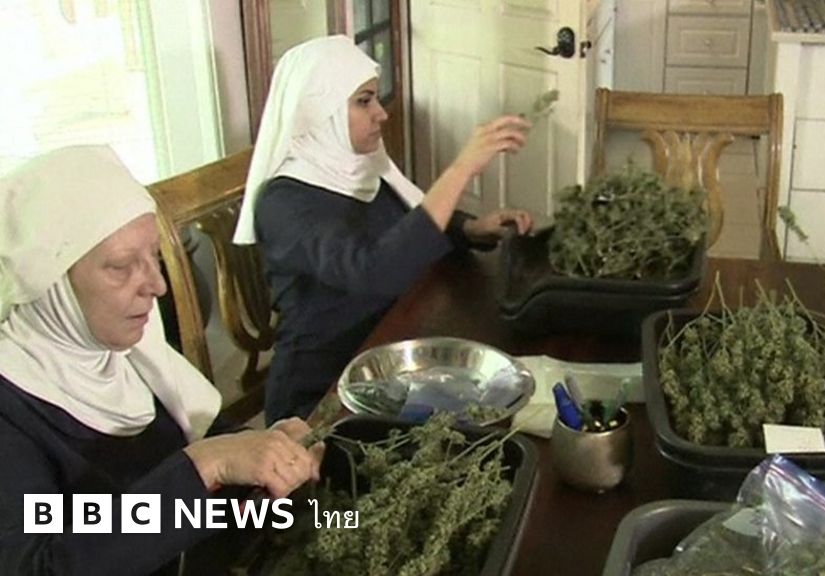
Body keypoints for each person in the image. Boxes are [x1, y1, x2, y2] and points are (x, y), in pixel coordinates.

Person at [0, 146, 323, 575]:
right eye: (121, 266)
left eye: (153, 256)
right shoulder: (13, 411)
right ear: (53, 285)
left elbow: (200, 460)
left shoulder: (128, 349)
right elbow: (39, 566)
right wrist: (205, 465)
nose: (157, 286)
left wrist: (266, 460)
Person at [233, 35, 534, 425]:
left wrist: (470, 228)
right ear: (318, 111)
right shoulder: (284, 203)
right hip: (320, 392)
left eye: (375, 98)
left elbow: (402, 227)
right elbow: (375, 270)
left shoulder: (358, 168)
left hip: (386, 356)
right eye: (364, 101)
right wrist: (461, 170)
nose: (381, 113)